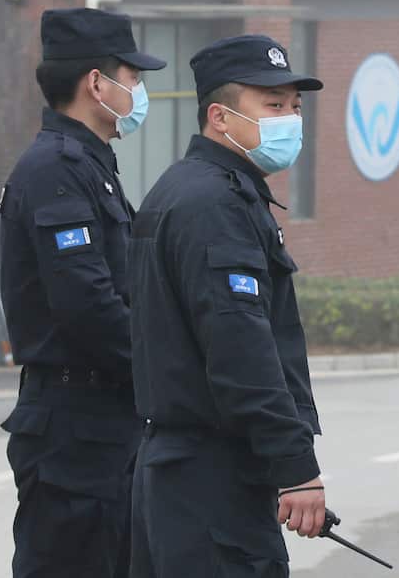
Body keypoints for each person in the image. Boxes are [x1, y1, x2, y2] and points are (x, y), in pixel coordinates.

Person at [129, 35, 326, 578]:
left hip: (182, 476)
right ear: (220, 116)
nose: (290, 119)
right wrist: (296, 468)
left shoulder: (189, 189)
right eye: (273, 105)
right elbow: (241, 349)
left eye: (293, 106)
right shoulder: (214, 204)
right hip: (210, 480)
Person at [0, 8, 165, 578]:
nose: (140, 91)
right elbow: (88, 307)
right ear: (97, 83)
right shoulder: (55, 169)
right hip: (75, 431)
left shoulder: (93, 166)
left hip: (106, 421)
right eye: (133, 77)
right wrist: (165, 374)